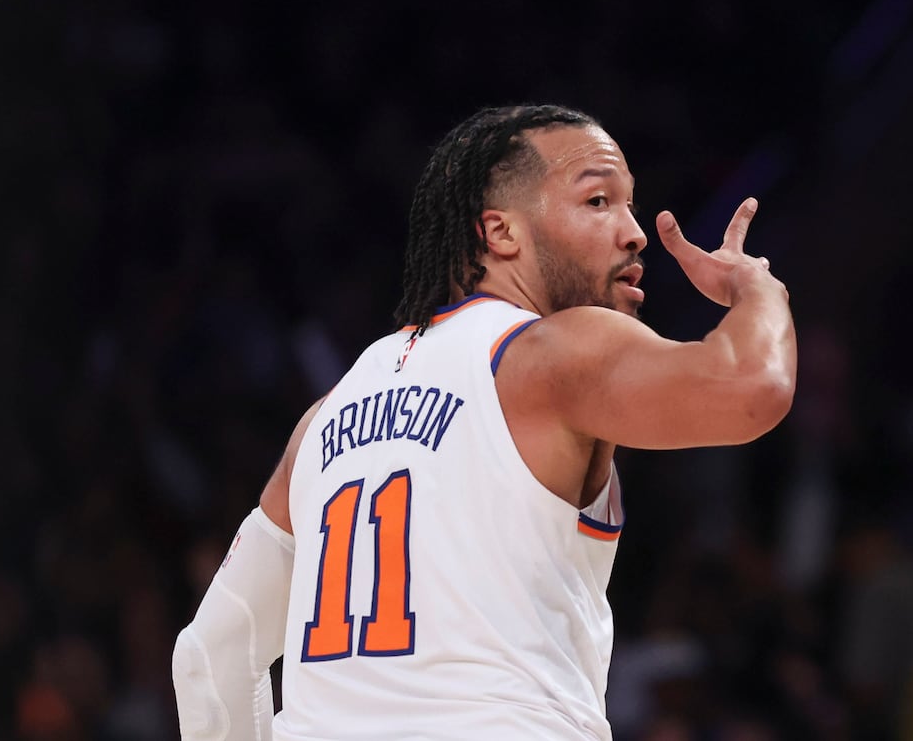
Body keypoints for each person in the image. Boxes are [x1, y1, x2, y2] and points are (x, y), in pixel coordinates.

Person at [171, 103, 798, 740]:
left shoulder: (323, 418)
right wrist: (758, 288)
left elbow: (208, 655)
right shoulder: (551, 352)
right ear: (501, 234)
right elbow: (754, 387)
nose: (634, 232)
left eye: (630, 204)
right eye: (599, 201)